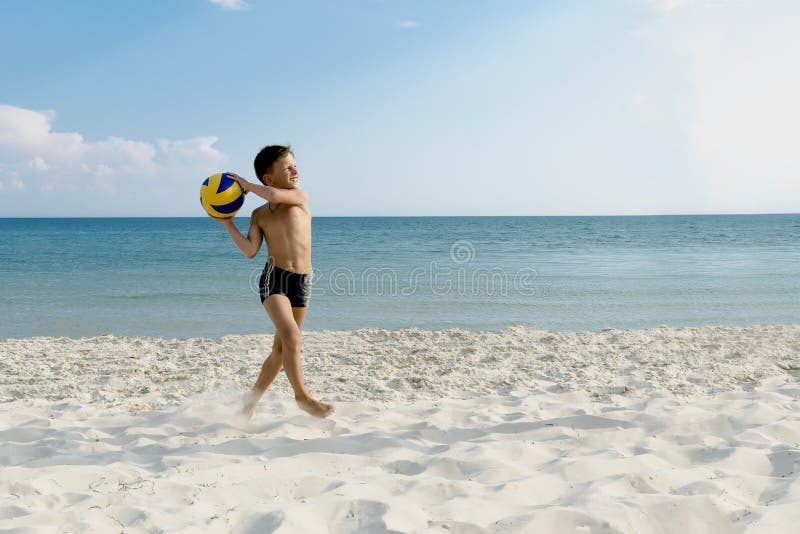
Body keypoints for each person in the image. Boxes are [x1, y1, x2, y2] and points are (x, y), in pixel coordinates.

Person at [210, 145, 334, 419]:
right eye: (287, 168)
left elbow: (274, 195)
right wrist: (227, 223)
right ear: (269, 177)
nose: (295, 170)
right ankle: (302, 397)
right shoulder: (259, 215)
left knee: (281, 350)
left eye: (294, 165)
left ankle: (250, 399)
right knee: (292, 337)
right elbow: (250, 250)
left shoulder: (298, 197)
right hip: (273, 278)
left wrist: (247, 185)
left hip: (302, 281)